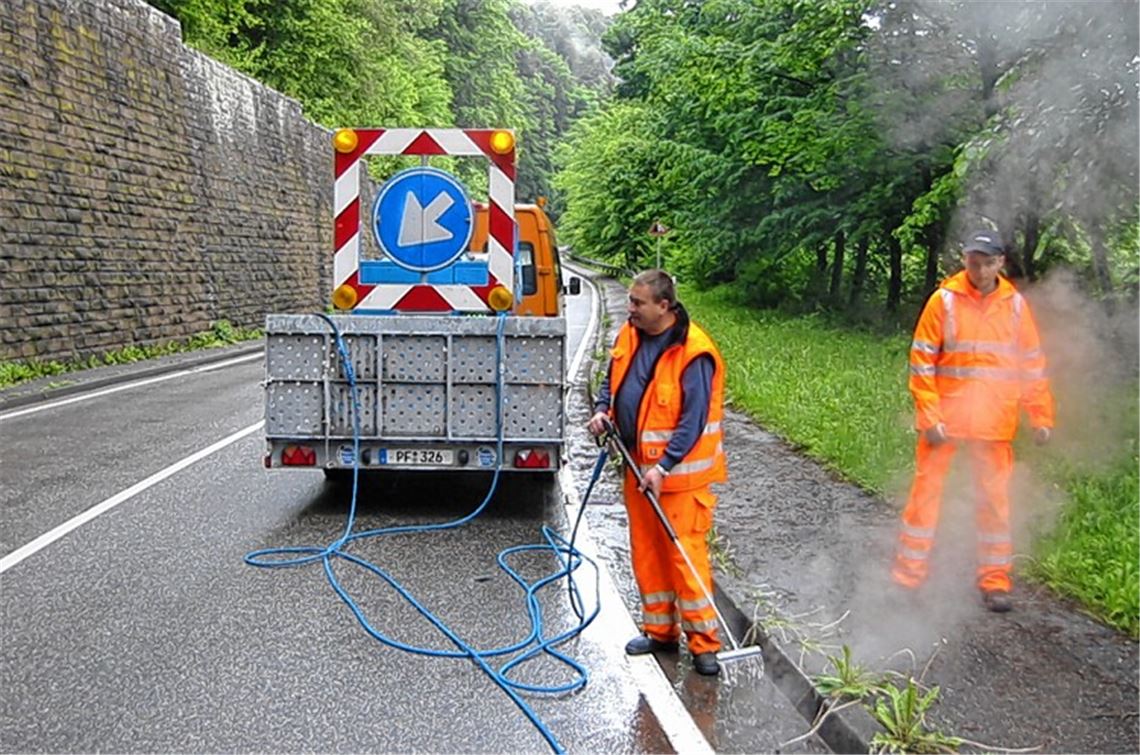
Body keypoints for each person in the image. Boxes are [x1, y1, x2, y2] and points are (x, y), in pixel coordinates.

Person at [892, 230, 1054, 612]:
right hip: (944, 419)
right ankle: (908, 576)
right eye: (970, 259)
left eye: (984, 261)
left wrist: (1041, 414)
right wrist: (929, 415)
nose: (975, 267)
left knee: (995, 501)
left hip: (994, 420)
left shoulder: (1014, 306)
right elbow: (921, 363)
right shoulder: (943, 301)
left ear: (1000, 264)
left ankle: (995, 581)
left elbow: (1032, 364)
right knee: (925, 497)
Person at [588, 270, 728, 676]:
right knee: (648, 554)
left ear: (663, 306)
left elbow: (693, 418)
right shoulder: (628, 335)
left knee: (685, 559)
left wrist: (665, 466)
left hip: (679, 480)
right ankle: (660, 632)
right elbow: (610, 383)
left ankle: (704, 645)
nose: (629, 308)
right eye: (630, 300)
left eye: (637, 302)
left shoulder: (693, 351)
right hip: (637, 469)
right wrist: (602, 411)